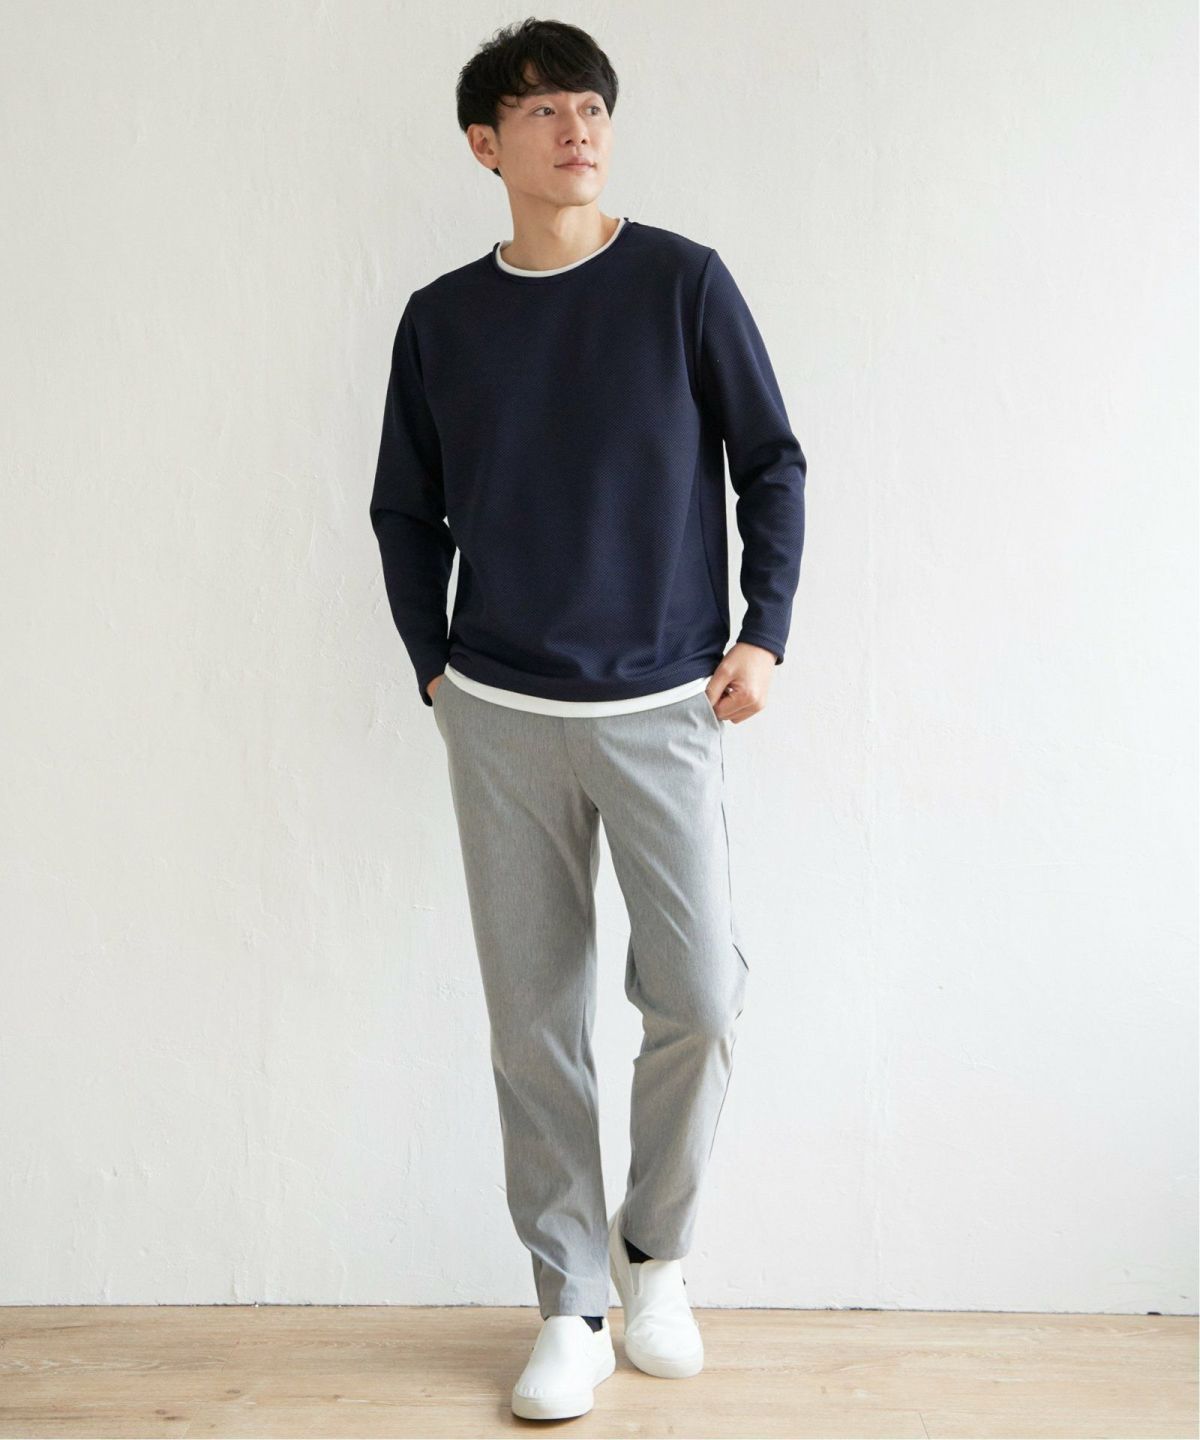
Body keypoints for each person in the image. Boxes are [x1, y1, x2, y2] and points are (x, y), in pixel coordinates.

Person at [369, 17, 806, 1422]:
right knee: (535, 1025)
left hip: (666, 701)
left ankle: (653, 1258)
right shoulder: (443, 319)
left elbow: (772, 461)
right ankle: (569, 1301)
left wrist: (765, 631)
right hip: (498, 712)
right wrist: (433, 666)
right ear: (485, 144)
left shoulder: (682, 283)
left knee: (699, 997)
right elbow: (403, 506)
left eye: (594, 107)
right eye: (546, 109)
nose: (578, 129)